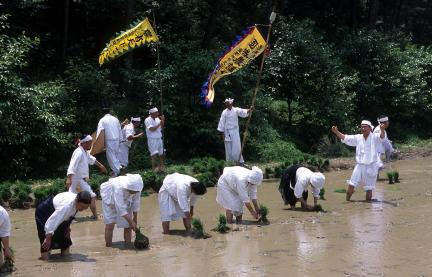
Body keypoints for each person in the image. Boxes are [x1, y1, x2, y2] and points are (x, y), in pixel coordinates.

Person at [331, 120, 385, 201]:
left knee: (369, 189)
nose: (363, 128)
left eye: (365, 126)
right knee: (351, 185)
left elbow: (381, 136)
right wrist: (336, 132)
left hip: (371, 166)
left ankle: (368, 207)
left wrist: (382, 129)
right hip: (359, 166)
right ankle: (348, 203)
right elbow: (346, 138)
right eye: (361, 126)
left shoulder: (374, 136)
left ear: (370, 128)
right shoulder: (358, 137)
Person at [35, 191, 92, 260]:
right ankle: (45, 261)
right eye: (82, 207)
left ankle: (66, 260)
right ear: (76, 200)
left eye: (85, 208)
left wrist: (67, 227)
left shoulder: (77, 204)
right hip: (45, 211)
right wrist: (47, 239)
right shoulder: (66, 206)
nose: (82, 209)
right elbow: (52, 221)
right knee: (47, 245)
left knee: (65, 239)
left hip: (58, 211)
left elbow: (70, 216)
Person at [66, 134, 107, 219]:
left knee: (74, 198)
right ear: (84, 143)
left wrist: (101, 165)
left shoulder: (84, 152)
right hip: (77, 180)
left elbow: (92, 159)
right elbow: (72, 166)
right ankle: (94, 217)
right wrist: (69, 179)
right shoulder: (78, 152)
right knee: (89, 196)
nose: (91, 145)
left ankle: (71, 217)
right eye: (90, 143)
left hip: (81, 180)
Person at [100, 174, 143, 247]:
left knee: (128, 225)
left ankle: (128, 245)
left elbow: (136, 202)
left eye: (135, 191)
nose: (134, 193)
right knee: (110, 224)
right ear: (128, 188)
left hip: (126, 200)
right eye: (132, 191)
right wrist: (131, 222)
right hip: (109, 198)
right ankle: (109, 246)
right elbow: (121, 208)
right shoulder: (118, 187)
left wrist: (134, 219)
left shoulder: (138, 187)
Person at [217, 98, 251, 164]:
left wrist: (249, 110)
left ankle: (239, 161)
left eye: (228, 103)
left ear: (231, 103)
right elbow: (221, 123)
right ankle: (230, 162)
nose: (227, 105)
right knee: (228, 148)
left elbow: (243, 112)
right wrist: (222, 134)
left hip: (235, 132)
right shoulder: (224, 112)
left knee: (237, 147)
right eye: (226, 103)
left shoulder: (236, 110)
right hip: (227, 133)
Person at [97, 107, 122, 176]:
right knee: (116, 156)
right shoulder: (115, 119)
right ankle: (117, 169)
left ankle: (117, 172)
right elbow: (119, 129)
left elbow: (100, 133)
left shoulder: (102, 120)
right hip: (117, 139)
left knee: (111, 157)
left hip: (109, 140)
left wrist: (100, 144)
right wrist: (120, 140)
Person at [144, 107, 165, 171]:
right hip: (152, 139)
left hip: (159, 138)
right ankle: (154, 169)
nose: (158, 113)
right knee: (154, 155)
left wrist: (163, 120)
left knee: (161, 154)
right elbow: (152, 129)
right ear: (152, 113)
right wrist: (159, 123)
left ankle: (161, 168)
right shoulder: (147, 120)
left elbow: (161, 126)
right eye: (157, 112)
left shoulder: (157, 119)